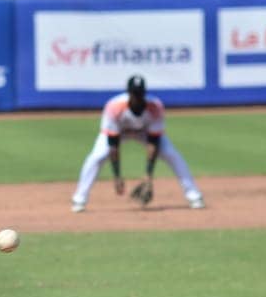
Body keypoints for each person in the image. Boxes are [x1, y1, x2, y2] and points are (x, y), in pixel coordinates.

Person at [71, 75, 204, 213]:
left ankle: (194, 196)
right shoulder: (114, 107)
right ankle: (79, 199)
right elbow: (113, 145)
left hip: (144, 133)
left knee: (171, 154)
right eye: (135, 93)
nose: (138, 96)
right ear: (129, 93)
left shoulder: (155, 107)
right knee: (97, 156)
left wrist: (148, 175)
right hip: (118, 133)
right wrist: (117, 176)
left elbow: (153, 142)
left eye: (140, 93)